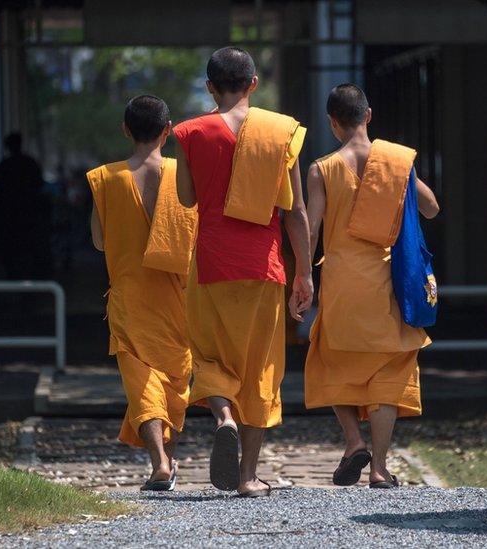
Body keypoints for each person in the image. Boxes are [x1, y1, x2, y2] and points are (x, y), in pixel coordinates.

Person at [174, 46, 313, 497]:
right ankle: (249, 477)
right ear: (253, 83)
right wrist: (305, 274)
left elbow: (188, 198)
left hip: (212, 263)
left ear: (210, 86)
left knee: (209, 354)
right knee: (261, 368)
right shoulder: (279, 133)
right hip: (263, 265)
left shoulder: (192, 132)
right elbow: (295, 212)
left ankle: (223, 417)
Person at [304, 84, 439, 488]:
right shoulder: (396, 162)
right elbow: (432, 207)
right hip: (388, 283)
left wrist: (301, 278)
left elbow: (311, 228)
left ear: (332, 123)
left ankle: (352, 441)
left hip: (343, 282)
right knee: (389, 370)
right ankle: (379, 468)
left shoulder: (321, 169)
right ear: (369, 115)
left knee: (330, 362)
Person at [88, 95, 197, 491]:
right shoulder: (181, 173)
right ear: (167, 131)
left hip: (130, 297)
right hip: (177, 296)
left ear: (125, 130)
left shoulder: (106, 178)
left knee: (140, 379)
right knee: (174, 380)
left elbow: (100, 241)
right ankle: (169, 458)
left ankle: (160, 463)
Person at [0, 132, 50, 279]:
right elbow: (39, 184)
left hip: (10, 213)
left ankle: (17, 275)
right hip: (28, 212)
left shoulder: (7, 165)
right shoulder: (29, 163)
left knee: (14, 246)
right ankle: (30, 275)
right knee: (29, 246)